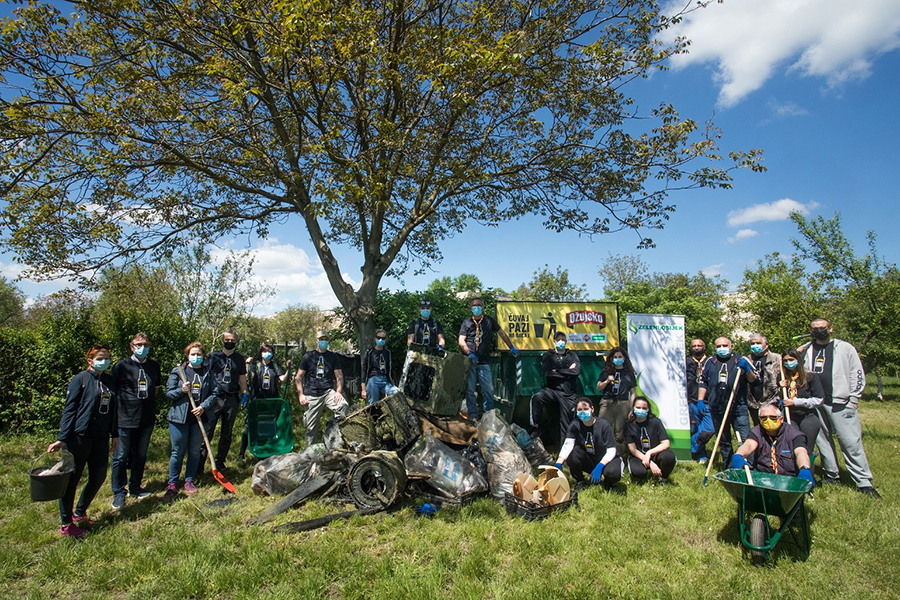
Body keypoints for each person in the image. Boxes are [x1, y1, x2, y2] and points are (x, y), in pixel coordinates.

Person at [802, 318, 880, 498]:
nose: (819, 331)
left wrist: (854, 398)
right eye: (815, 329)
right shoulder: (807, 349)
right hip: (817, 402)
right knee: (823, 442)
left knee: (850, 442)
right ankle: (832, 474)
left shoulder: (845, 348)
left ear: (830, 329)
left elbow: (857, 372)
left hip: (840, 402)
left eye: (822, 328)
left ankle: (863, 481)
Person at [47, 345, 119, 539]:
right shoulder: (80, 380)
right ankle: (66, 523)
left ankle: (80, 512)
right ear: (90, 360)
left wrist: (115, 434)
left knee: (98, 476)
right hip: (79, 437)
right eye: (100, 358)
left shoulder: (109, 381)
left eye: (107, 358)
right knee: (71, 480)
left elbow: (114, 410)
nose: (104, 361)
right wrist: (62, 438)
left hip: (101, 437)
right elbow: (69, 410)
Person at [109, 332, 161, 510]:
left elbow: (155, 390)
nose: (142, 348)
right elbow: (112, 393)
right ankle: (119, 492)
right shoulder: (121, 366)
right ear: (131, 347)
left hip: (146, 419)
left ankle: (135, 487)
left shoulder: (154, 366)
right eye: (138, 344)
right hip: (124, 419)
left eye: (146, 345)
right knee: (121, 457)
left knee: (141, 455)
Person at [164, 342, 219, 497]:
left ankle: (189, 480)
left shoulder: (208, 372)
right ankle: (173, 483)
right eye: (193, 354)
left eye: (199, 354)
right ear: (187, 356)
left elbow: (214, 393)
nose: (196, 357)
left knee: (194, 451)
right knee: (177, 451)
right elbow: (168, 393)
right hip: (179, 418)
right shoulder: (179, 371)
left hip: (199, 418)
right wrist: (181, 391)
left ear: (203, 356)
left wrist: (203, 407)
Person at [697, 337, 757, 467]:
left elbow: (754, 380)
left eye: (724, 345)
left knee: (745, 439)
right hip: (717, 407)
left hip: (738, 407)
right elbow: (703, 382)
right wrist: (701, 400)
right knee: (723, 440)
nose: (721, 348)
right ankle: (728, 466)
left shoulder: (741, 360)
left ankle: (748, 466)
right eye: (718, 346)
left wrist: (747, 370)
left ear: (731, 346)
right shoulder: (710, 362)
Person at [458, 297, 518, 420]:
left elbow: (501, 333)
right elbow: (461, 341)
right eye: (474, 306)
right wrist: (469, 353)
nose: (476, 308)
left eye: (479, 305)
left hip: (484, 362)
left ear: (483, 307)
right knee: (470, 390)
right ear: (470, 308)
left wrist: (511, 347)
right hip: (469, 361)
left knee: (489, 389)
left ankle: (488, 416)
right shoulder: (467, 323)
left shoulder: (489, 321)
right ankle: (473, 415)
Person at [731, 404, 814, 488]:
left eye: (773, 417)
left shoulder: (794, 435)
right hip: (763, 478)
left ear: (781, 419)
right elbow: (749, 444)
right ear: (759, 419)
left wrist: (804, 468)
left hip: (788, 480)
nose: (768, 420)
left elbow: (801, 452)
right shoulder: (756, 432)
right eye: (764, 418)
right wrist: (739, 455)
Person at [203, 329, 248, 471]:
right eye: (227, 340)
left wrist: (245, 393)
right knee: (207, 431)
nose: (230, 342)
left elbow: (242, 378)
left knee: (226, 432)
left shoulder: (239, 359)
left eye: (232, 340)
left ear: (236, 341)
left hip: (231, 398)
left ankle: (220, 462)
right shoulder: (213, 356)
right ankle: (200, 463)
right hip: (214, 399)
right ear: (222, 340)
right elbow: (205, 376)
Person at [529, 331, 582, 451]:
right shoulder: (548, 355)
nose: (561, 342)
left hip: (568, 393)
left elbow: (576, 372)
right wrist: (567, 372)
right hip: (552, 390)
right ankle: (535, 426)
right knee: (537, 398)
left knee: (566, 424)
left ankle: (566, 453)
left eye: (563, 339)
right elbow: (548, 373)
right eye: (558, 340)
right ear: (554, 341)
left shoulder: (572, 355)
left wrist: (558, 371)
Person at [239, 344, 292, 460]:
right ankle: (241, 453)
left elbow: (282, 378)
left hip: (272, 401)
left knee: (274, 423)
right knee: (249, 425)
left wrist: (288, 369)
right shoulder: (256, 365)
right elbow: (250, 376)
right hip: (257, 400)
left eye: (270, 351)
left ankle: (273, 446)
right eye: (265, 351)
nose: (267, 353)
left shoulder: (275, 365)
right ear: (261, 352)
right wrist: (246, 364)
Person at [554, 399, 623, 488]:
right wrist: (559, 463)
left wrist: (600, 466)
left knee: (613, 473)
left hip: (606, 460)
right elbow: (568, 445)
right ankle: (580, 481)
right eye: (579, 410)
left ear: (592, 409)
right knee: (572, 453)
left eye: (585, 409)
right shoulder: (575, 425)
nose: (583, 412)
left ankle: (608, 482)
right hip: (590, 459)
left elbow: (611, 450)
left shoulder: (604, 425)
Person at [296, 330, 348, 447]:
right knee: (310, 429)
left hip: (327, 392)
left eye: (326, 339)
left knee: (343, 405)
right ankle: (311, 453)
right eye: (322, 339)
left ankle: (335, 438)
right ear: (317, 341)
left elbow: (339, 376)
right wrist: (301, 394)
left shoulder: (332, 357)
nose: (324, 342)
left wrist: (338, 392)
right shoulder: (308, 356)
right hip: (312, 394)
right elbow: (298, 377)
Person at [778, 349, 823, 455]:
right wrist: (780, 389)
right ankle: (792, 470)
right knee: (792, 445)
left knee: (806, 448)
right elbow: (781, 399)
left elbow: (819, 399)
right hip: (790, 417)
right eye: (785, 360)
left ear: (798, 360)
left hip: (808, 416)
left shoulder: (810, 376)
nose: (788, 363)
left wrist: (795, 402)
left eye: (791, 359)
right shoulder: (783, 377)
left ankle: (806, 470)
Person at [624, 397, 677, 484]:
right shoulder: (628, 425)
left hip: (655, 454)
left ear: (648, 409)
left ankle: (663, 478)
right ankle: (645, 474)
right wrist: (649, 462)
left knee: (669, 456)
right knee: (639, 473)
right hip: (638, 456)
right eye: (638, 407)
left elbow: (666, 443)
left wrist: (649, 453)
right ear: (633, 408)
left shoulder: (656, 422)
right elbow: (633, 450)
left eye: (644, 408)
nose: (641, 410)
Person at [595, 346, 637, 454]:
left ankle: (618, 455)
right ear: (612, 359)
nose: (617, 359)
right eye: (615, 357)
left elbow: (633, 393)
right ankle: (601, 454)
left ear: (624, 358)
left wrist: (632, 409)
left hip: (623, 403)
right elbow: (598, 387)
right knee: (602, 427)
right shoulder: (606, 371)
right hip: (607, 402)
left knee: (620, 432)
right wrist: (607, 381)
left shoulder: (629, 373)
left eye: (620, 357)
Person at [686, 338, 714, 463]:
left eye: (699, 345)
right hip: (691, 400)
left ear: (704, 346)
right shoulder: (686, 362)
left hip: (709, 401)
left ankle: (691, 448)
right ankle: (700, 454)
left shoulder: (712, 361)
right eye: (694, 346)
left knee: (709, 429)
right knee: (694, 428)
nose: (696, 348)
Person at [747, 333, 782, 426]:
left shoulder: (777, 359)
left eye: (758, 343)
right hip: (753, 402)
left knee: (773, 426)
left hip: (772, 400)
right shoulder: (748, 360)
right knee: (758, 427)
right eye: (752, 344)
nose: (755, 346)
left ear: (766, 344)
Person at [360, 329, 399, 404]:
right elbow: (364, 370)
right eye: (378, 338)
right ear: (375, 338)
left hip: (385, 381)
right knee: (374, 404)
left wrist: (392, 382)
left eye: (383, 338)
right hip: (373, 380)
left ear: (386, 340)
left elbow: (390, 370)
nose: (381, 340)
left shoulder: (388, 353)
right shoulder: (369, 352)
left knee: (397, 393)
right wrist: (363, 389)